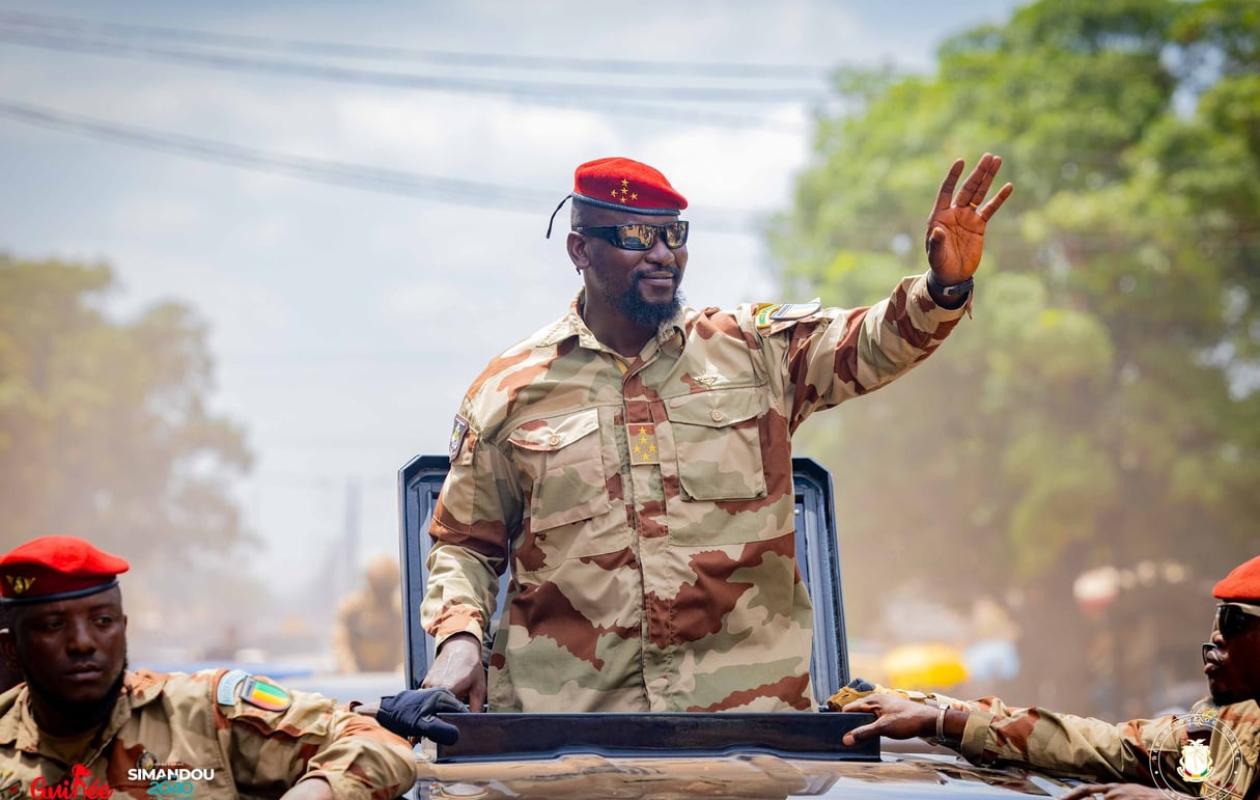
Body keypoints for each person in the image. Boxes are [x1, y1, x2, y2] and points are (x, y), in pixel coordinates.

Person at [420, 154, 1014, 713]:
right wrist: (458, 638)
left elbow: (872, 342)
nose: (660, 254)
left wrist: (942, 289)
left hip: (748, 737)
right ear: (580, 249)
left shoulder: (752, 354)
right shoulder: (511, 392)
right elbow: (466, 544)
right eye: (635, 237)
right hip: (569, 740)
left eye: (674, 236)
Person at [0, 535, 420, 800]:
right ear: (11, 649)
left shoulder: (202, 712)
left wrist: (317, 791)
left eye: (102, 621)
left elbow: (375, 742)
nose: (83, 643)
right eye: (54, 625)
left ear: (123, 628)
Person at [838, 554, 1260, 800]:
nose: (1215, 638)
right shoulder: (1229, 726)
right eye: (1216, 618)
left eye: (1234, 620)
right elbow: (1104, 746)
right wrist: (940, 717)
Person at [332, 555, 404, 673]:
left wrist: (401, 672)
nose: (382, 595)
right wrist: (350, 672)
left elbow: (404, 654)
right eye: (379, 588)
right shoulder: (350, 609)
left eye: (387, 589)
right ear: (369, 582)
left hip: (391, 682)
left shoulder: (400, 613)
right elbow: (340, 647)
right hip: (358, 680)